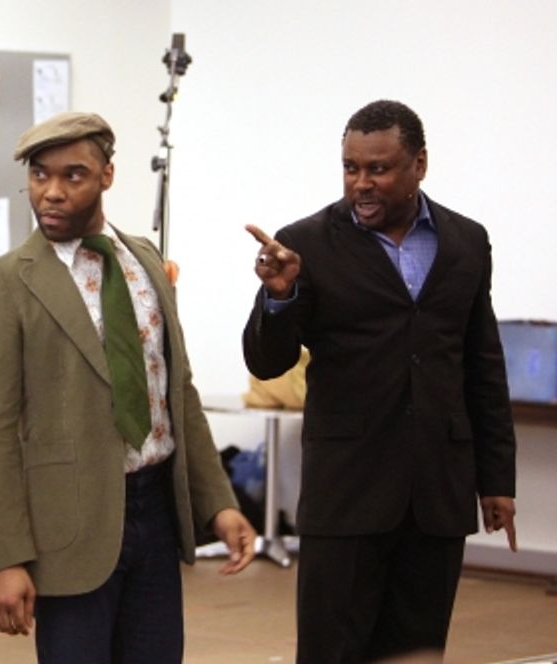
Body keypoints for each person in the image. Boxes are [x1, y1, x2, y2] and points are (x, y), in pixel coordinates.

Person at [0, 111, 256, 663]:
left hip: (155, 515)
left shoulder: (144, 260)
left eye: (72, 175)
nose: (51, 192)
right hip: (68, 527)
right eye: (39, 175)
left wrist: (219, 503)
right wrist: (5, 558)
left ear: (107, 176)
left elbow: (178, 393)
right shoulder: (5, 282)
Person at [243, 99, 517, 663]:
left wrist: (496, 479)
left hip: (437, 494)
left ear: (419, 163)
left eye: (378, 169)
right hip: (347, 494)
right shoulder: (305, 244)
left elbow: (481, 363)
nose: (361, 183)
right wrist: (278, 296)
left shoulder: (467, 241)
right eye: (350, 168)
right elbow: (267, 363)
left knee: (416, 653)